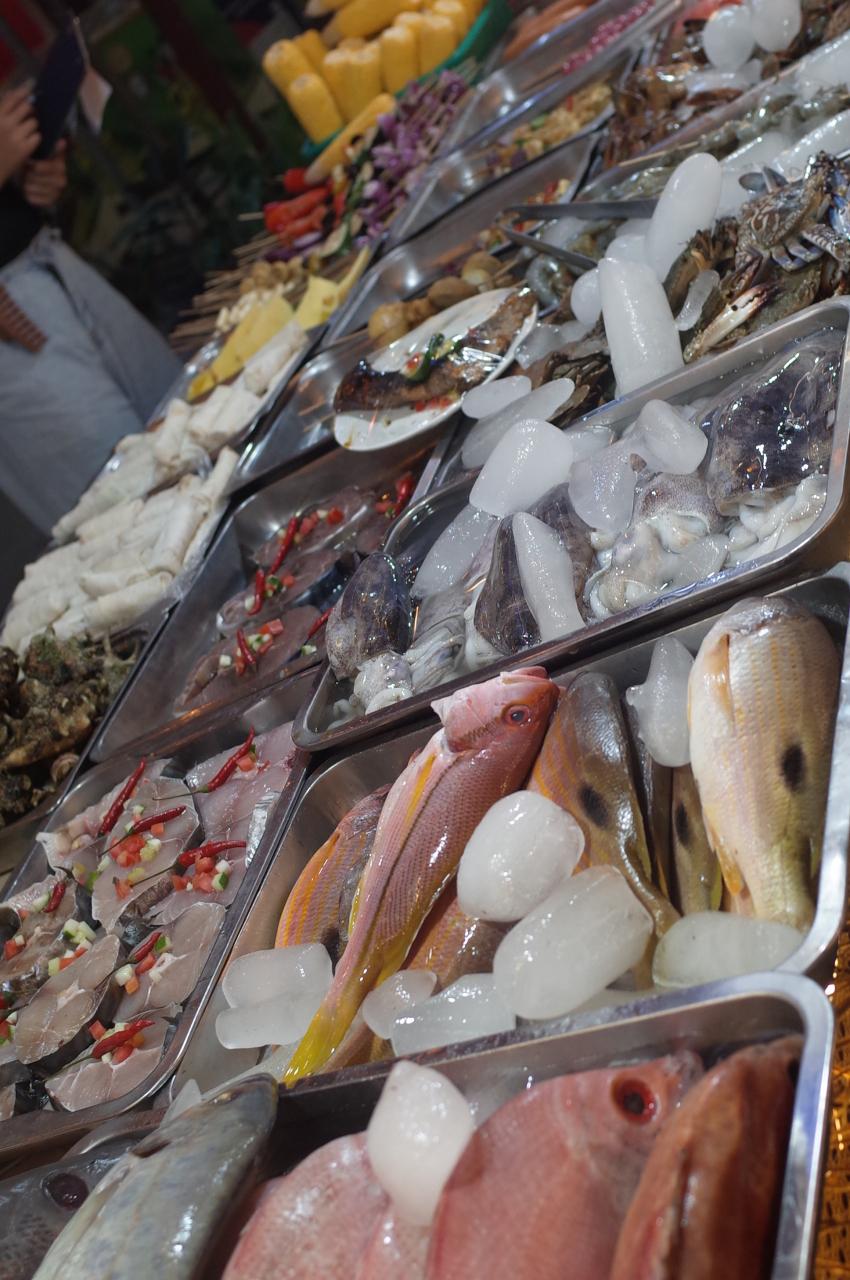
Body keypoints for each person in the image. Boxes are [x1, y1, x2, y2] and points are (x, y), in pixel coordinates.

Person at [0, 83, 181, 537]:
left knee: (186, 426)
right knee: (128, 509)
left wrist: (26, 178)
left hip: (49, 264)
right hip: (11, 344)